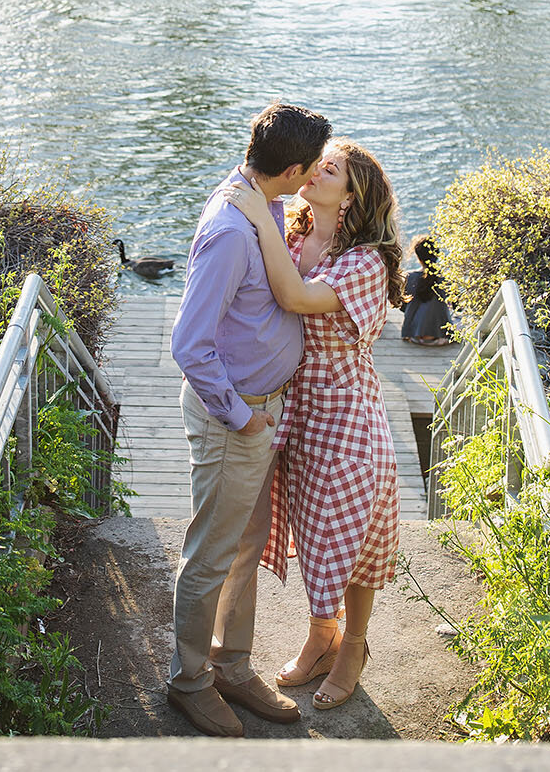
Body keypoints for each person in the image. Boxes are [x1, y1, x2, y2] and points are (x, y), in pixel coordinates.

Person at [166, 101, 333, 739]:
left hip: (265, 414)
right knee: (212, 553)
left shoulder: (263, 203)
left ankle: (231, 666)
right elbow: (189, 344)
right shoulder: (232, 230)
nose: (316, 174)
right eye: (312, 166)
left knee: (242, 550)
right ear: (290, 168)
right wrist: (240, 419)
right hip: (234, 419)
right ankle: (189, 682)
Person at [223, 139, 405, 712]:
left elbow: (295, 296)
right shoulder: (296, 231)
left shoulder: (367, 262)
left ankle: (352, 645)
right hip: (296, 410)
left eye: (330, 169)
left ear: (351, 196)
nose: (312, 170)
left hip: (346, 411)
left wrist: (256, 212)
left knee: (350, 537)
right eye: (318, 162)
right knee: (311, 528)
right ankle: (321, 636)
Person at [400, 234, 454, 347]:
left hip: (414, 335)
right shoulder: (446, 279)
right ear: (437, 254)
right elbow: (456, 305)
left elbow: (402, 306)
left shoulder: (409, 277)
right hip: (441, 336)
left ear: (418, 256)